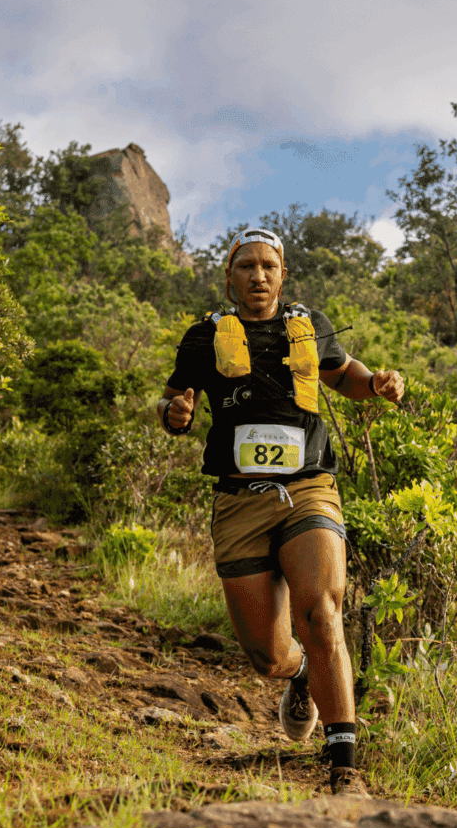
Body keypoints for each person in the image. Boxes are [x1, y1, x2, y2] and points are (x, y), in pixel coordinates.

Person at [157, 227, 404, 797]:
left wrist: (379, 385)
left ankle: (345, 766)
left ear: (282, 273)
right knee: (266, 655)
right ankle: (297, 677)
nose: (258, 276)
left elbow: (348, 377)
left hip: (309, 489)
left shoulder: (309, 326)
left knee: (322, 614)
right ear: (230, 276)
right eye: (247, 266)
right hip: (240, 500)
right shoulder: (203, 338)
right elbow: (174, 399)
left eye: (269, 265)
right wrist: (175, 412)